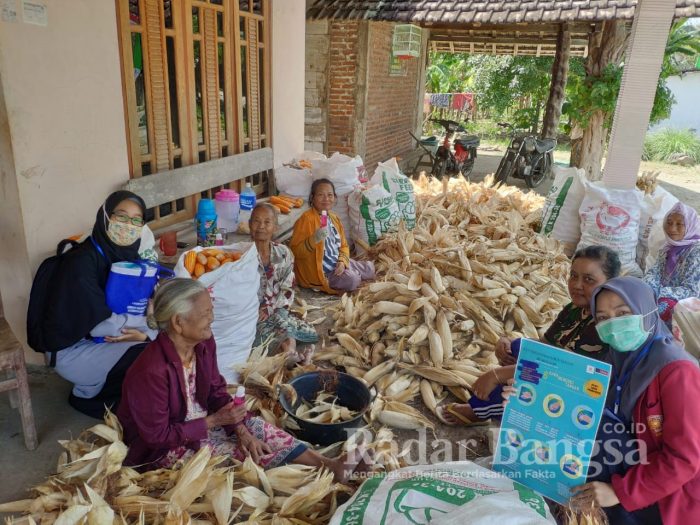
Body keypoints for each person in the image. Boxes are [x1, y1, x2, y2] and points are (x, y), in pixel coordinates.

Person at [117, 278, 369, 481]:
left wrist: (240, 430)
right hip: (162, 448)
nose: (212, 319)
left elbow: (215, 390)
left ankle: (330, 466)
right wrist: (215, 421)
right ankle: (309, 479)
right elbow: (157, 436)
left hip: (202, 420)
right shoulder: (150, 372)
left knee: (259, 431)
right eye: (205, 313)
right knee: (243, 459)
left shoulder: (203, 343)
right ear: (178, 323)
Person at [562, 277, 700, 524]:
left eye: (623, 313)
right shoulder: (612, 361)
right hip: (624, 471)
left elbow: (684, 459)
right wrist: (526, 400)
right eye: (603, 318)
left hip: (667, 496)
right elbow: (572, 406)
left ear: (647, 312)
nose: (614, 325)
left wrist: (619, 491)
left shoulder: (677, 371)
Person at [438, 246, 621, 426]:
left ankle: (479, 412)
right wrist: (506, 341)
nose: (576, 285)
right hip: (555, 368)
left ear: (610, 284)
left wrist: (497, 374)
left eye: (589, 279)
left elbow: (565, 372)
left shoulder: (605, 324)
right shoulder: (574, 309)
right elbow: (546, 345)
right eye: (573, 276)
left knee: (508, 385)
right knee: (517, 347)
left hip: (574, 389)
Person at [43, 191, 157, 418]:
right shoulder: (81, 263)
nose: (128, 226)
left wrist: (150, 324)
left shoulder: (123, 256)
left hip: (99, 338)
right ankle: (88, 396)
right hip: (70, 350)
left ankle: (103, 386)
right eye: (121, 217)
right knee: (153, 351)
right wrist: (149, 329)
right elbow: (100, 325)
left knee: (158, 342)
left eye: (136, 220)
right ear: (106, 217)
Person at [250, 203, 318, 364]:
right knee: (260, 338)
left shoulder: (284, 253)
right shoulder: (241, 257)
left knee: (310, 334)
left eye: (267, 222)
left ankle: (288, 350)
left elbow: (288, 289)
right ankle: (291, 352)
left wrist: (271, 308)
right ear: (249, 225)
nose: (261, 226)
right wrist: (257, 309)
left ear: (275, 227)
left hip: (277, 307)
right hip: (253, 315)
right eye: (256, 221)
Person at [290, 179, 374, 294]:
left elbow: (344, 245)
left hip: (337, 262)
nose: (326, 199)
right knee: (352, 280)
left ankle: (351, 271)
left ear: (334, 198)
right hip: (322, 272)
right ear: (312, 198)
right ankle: (352, 275)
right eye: (320, 195)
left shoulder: (333, 218)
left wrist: (342, 262)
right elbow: (295, 252)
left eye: (330, 195)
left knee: (370, 268)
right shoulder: (306, 219)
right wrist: (313, 240)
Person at [643, 202, 700, 326]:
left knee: (659, 308)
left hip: (689, 304)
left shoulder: (697, 251)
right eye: (669, 223)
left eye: (679, 224)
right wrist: (648, 287)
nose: (672, 229)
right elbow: (654, 272)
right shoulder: (667, 248)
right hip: (661, 294)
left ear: (690, 225)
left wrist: (658, 292)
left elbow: (692, 291)